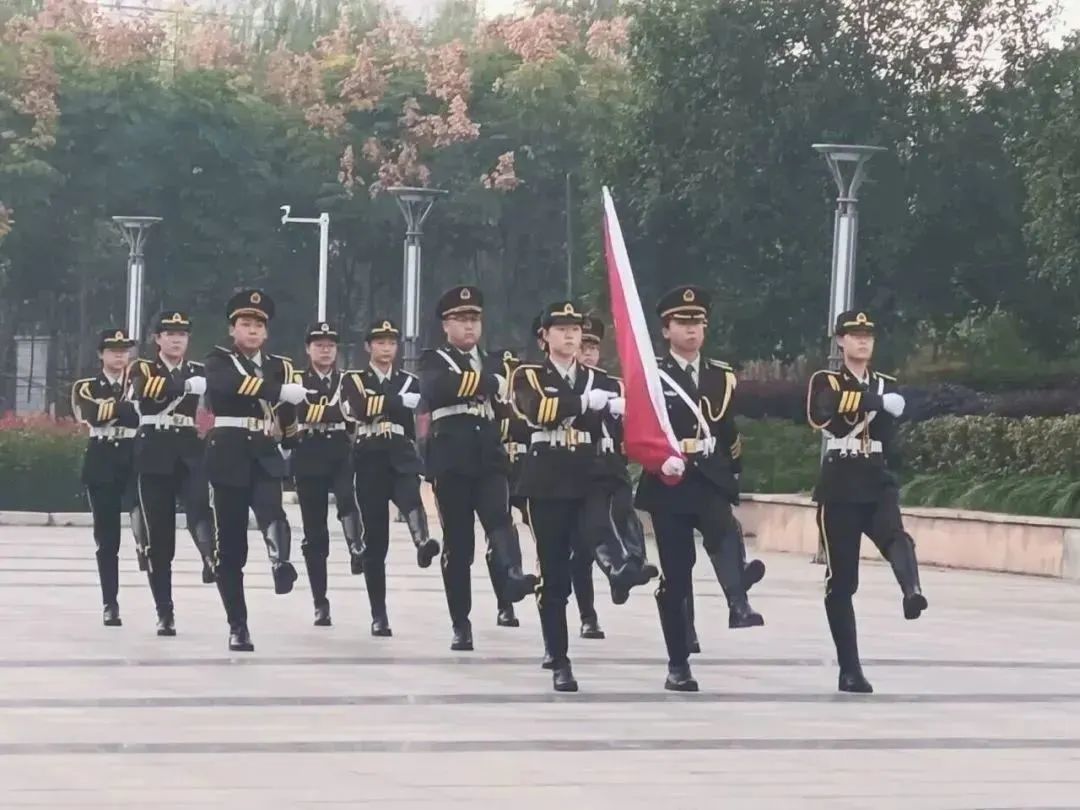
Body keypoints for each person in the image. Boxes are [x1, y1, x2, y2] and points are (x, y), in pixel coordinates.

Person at [511, 301, 659, 691]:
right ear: (545, 337)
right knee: (554, 572)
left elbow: (612, 429)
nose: (570, 336)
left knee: (597, 524)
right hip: (546, 476)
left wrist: (624, 414)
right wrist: (581, 404)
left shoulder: (601, 380)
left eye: (575, 329)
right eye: (561, 329)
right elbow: (538, 410)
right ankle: (559, 658)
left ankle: (620, 568)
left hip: (590, 471)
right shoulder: (530, 375)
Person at [635, 285, 762, 692]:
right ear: (666, 329)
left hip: (707, 474)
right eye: (682, 323)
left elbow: (726, 429)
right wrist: (657, 460)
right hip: (669, 480)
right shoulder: (652, 375)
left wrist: (734, 471)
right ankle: (678, 663)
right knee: (677, 575)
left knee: (724, 531)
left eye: (698, 323)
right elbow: (638, 430)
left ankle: (738, 602)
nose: (691, 330)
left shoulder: (720, 375)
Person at [807, 309, 928, 693]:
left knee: (896, 535)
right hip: (840, 482)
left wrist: (892, 404)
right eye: (855, 335)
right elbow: (826, 410)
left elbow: (892, 428)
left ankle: (912, 592)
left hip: (875, 476)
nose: (862, 341)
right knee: (842, 582)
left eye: (868, 335)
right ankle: (849, 669)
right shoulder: (826, 379)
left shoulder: (886, 383)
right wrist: (876, 400)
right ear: (840, 341)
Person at [419, 285, 537, 652]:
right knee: (459, 544)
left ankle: (512, 574)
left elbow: (509, 404)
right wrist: (488, 383)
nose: (469, 326)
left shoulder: (495, 360)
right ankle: (461, 621)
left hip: (488, 452)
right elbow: (439, 388)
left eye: (474, 319)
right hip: (450, 457)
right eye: (461, 320)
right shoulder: (433, 359)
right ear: (446, 325)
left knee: (499, 519)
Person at [203, 289, 307, 652]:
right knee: (231, 546)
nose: (252, 331)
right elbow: (230, 386)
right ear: (232, 329)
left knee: (272, 510)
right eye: (245, 324)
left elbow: (287, 411)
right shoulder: (218, 360)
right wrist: (279, 391)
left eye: (258, 326)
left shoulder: (279, 365)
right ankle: (238, 625)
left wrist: (290, 440)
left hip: (263, 449)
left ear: (266, 332)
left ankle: (281, 562)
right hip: (228, 449)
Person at [343, 318, 440, 637]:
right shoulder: (355, 379)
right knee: (376, 539)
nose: (387, 348)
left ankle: (422, 542)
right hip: (369, 455)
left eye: (391, 343)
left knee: (411, 496)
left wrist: (389, 403)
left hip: (400, 450)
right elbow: (360, 408)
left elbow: (418, 409)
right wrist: (396, 401)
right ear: (368, 347)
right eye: (380, 342)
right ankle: (379, 614)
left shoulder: (408, 379)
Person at [128, 311, 215, 637]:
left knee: (200, 507)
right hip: (154, 450)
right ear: (158, 339)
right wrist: (185, 385)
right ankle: (164, 611)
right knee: (160, 537)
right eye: (170, 334)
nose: (177, 340)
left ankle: (211, 558)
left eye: (182, 334)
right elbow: (146, 391)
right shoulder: (143, 367)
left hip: (189, 449)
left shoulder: (199, 370)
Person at [290, 321, 365, 628]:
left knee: (348, 499)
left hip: (338, 448)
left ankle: (356, 546)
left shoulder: (347, 380)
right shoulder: (297, 379)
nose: (325, 350)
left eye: (331, 346)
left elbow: (357, 410)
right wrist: (336, 412)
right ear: (308, 349)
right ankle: (320, 602)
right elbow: (296, 413)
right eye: (319, 345)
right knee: (315, 533)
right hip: (307, 452)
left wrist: (326, 413)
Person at [71, 328, 143, 627]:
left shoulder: (140, 382)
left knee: (148, 526)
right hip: (102, 459)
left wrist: (115, 410)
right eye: (113, 350)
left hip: (134, 456)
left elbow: (138, 417)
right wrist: (125, 408)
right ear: (101, 354)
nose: (119, 356)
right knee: (107, 539)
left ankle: (162, 606)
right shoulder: (86, 386)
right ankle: (110, 603)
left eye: (124, 351)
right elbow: (91, 414)